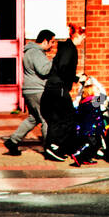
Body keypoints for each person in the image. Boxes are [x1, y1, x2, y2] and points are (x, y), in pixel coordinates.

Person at [3, 31, 56, 156]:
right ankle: (49, 148)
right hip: (38, 90)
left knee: (33, 118)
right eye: (52, 42)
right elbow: (44, 70)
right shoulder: (36, 53)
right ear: (45, 41)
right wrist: (55, 61)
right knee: (46, 119)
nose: (53, 45)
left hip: (29, 89)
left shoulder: (29, 52)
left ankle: (13, 141)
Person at [41, 25, 85, 161]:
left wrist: (75, 76)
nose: (84, 39)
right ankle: (55, 145)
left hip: (54, 86)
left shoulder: (66, 47)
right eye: (83, 36)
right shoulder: (69, 48)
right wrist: (77, 78)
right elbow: (63, 68)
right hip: (58, 87)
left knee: (57, 118)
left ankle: (55, 146)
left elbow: (63, 67)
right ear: (76, 36)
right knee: (69, 116)